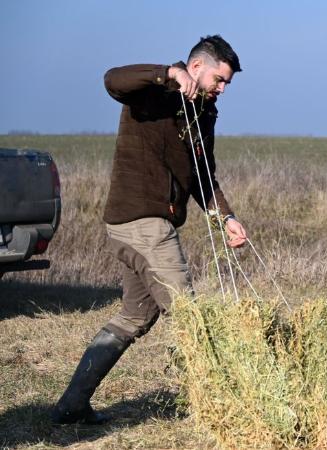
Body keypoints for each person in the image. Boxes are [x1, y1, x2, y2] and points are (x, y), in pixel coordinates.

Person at [52, 35, 248, 424]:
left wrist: (225, 217)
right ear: (195, 68)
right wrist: (167, 74)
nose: (222, 89)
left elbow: (203, 176)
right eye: (218, 79)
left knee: (135, 317)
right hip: (139, 220)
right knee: (189, 312)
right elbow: (112, 79)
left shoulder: (204, 112)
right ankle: (227, 410)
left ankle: (71, 405)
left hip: (152, 224)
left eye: (227, 83)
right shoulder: (150, 93)